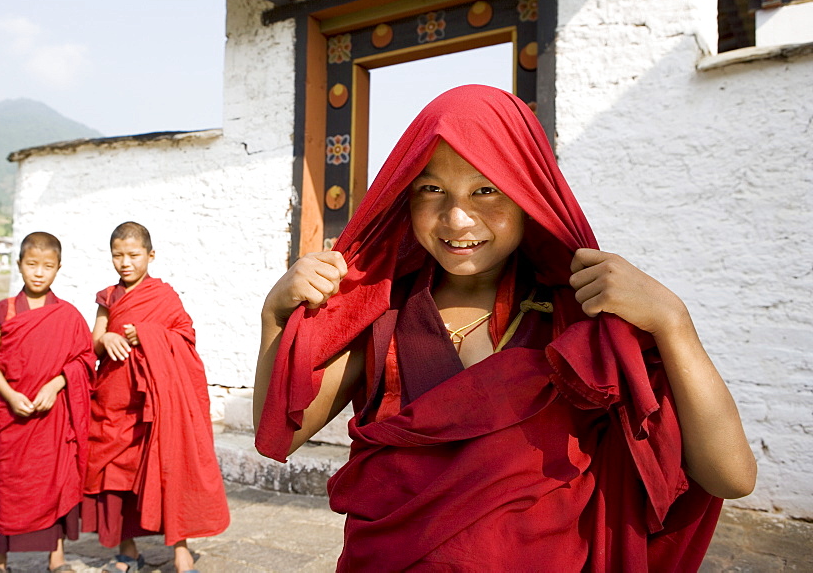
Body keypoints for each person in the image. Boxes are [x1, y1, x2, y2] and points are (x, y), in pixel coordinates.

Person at [254, 85, 756, 571]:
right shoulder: (385, 314)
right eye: (431, 189)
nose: (457, 218)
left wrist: (674, 323)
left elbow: (730, 476)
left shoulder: (580, 322)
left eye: (486, 190)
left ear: (527, 195)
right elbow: (278, 433)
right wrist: (274, 319)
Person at [82, 221, 229, 573]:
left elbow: (185, 339)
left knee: (169, 470)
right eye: (118, 256)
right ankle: (127, 550)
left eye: (133, 255)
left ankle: (181, 551)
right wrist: (108, 340)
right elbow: (94, 340)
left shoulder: (163, 297)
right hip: (115, 403)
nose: (125, 263)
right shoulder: (109, 298)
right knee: (115, 479)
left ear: (150, 256)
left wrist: (147, 334)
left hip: (156, 404)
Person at [0, 231, 96, 573]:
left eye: (48, 266)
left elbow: (85, 360)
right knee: (6, 483)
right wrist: (10, 394)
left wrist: (57, 384)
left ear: (58, 268)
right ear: (19, 265)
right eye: (32, 265)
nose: (39, 273)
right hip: (12, 415)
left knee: (53, 482)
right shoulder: (5, 311)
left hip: (52, 417)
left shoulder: (68, 315)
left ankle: (56, 557)